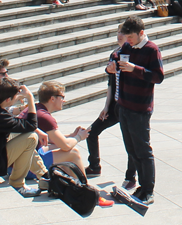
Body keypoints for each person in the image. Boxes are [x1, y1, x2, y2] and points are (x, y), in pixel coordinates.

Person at [114, 16, 165, 207]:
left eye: (131, 37)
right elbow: (118, 62)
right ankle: (141, 188)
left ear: (141, 33)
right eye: (125, 37)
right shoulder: (126, 48)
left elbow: (158, 77)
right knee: (131, 149)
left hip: (140, 108)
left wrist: (135, 68)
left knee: (143, 150)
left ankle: (148, 189)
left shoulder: (152, 49)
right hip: (124, 105)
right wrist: (113, 67)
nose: (127, 41)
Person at [85, 30, 138, 188]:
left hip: (128, 106)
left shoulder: (134, 57)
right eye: (118, 33)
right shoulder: (114, 55)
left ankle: (131, 177)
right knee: (91, 132)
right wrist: (106, 106)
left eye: (123, 33)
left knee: (130, 142)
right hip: (115, 105)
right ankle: (94, 166)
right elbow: (111, 83)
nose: (119, 36)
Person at [35, 81, 89, 166]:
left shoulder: (36, 109)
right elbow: (66, 145)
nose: (64, 101)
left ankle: (72, 178)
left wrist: (72, 135)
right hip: (27, 167)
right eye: (62, 97)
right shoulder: (44, 117)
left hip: (19, 162)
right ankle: (81, 179)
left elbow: (52, 139)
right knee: (73, 152)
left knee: (60, 148)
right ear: (52, 99)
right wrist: (79, 137)